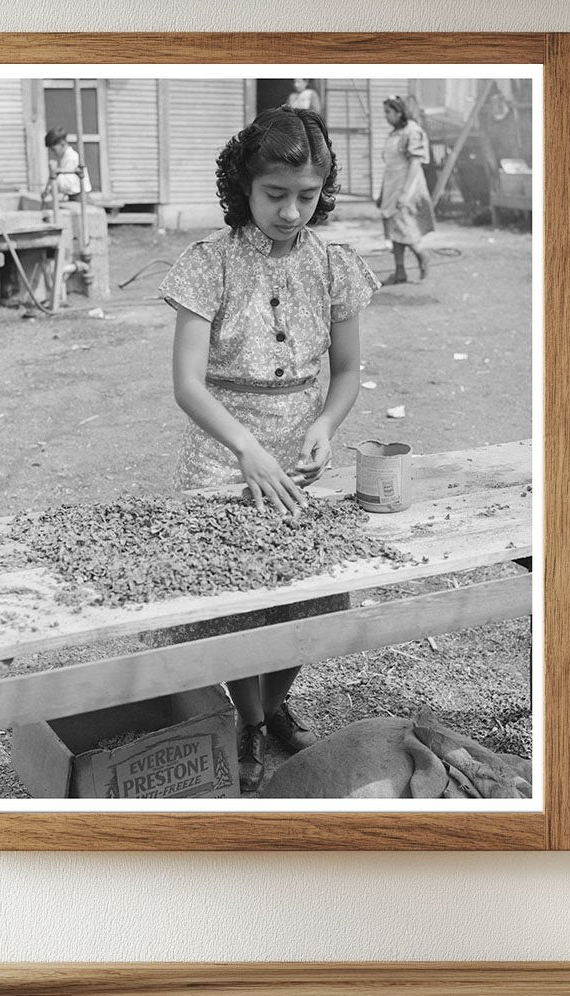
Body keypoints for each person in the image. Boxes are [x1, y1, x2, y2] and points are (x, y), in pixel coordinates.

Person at [158, 106, 380, 792]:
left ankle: (274, 702)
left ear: (324, 191)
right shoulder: (208, 264)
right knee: (233, 599)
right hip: (223, 448)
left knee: (311, 597)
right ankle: (249, 719)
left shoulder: (336, 266)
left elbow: (345, 373)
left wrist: (326, 425)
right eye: (275, 195)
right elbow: (187, 385)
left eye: (306, 197)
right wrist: (247, 449)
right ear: (242, 189)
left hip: (300, 453)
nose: (290, 212)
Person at [378, 95, 435, 285]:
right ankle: (400, 271)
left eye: (388, 112)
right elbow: (389, 166)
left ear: (399, 112)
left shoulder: (412, 131)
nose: (385, 116)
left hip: (408, 186)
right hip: (392, 186)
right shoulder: (394, 133)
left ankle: (422, 256)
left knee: (406, 228)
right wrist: (382, 192)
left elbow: (415, 163)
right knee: (395, 229)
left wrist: (405, 193)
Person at [43, 127, 88, 200]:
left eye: (54, 149)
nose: (53, 153)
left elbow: (67, 184)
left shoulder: (72, 158)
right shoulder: (63, 158)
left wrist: (54, 171)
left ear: (62, 143)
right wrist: (50, 188)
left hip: (80, 197)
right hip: (73, 197)